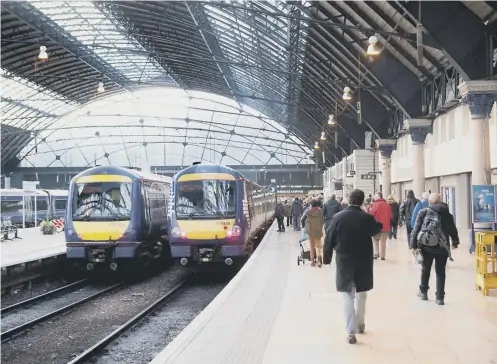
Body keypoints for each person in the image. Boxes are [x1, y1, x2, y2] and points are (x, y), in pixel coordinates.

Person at [323, 189, 383, 344]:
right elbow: (378, 228)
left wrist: (327, 258)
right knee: (362, 294)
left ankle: (350, 331)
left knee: (347, 295)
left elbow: (329, 239)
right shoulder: (366, 217)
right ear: (362, 201)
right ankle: (361, 324)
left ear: (349, 200)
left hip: (344, 261)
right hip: (363, 260)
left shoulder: (337, 218)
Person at [410, 193, 459, 305]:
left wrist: (413, 245)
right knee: (440, 272)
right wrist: (455, 242)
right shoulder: (447, 214)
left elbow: (416, 229)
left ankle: (423, 292)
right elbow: (453, 229)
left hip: (426, 246)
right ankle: (440, 297)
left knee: (425, 269)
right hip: (442, 247)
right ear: (440, 201)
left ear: (429, 202)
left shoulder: (423, 212)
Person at [301, 199, 324, 267]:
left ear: (311, 205)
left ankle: (312, 261)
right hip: (318, 230)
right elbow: (322, 221)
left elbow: (302, 219)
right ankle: (319, 261)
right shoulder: (320, 211)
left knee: (311, 246)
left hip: (310, 231)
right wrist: (320, 226)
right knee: (318, 246)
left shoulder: (308, 211)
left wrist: (304, 226)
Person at [369, 192, 391, 260]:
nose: (374, 197)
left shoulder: (375, 204)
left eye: (375, 196)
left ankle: (376, 253)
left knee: (375, 240)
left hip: (376, 226)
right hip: (385, 226)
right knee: (383, 242)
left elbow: (371, 215)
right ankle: (383, 256)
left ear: (379, 196)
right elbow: (390, 215)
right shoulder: (387, 205)